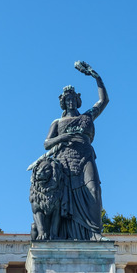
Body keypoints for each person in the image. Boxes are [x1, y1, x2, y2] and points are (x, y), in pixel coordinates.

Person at [35, 61, 109, 241]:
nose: (70, 101)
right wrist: (64, 137)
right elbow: (46, 144)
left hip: (85, 156)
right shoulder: (57, 123)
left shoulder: (87, 116)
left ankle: (94, 232)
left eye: (72, 98)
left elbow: (104, 100)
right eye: (66, 99)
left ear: (77, 100)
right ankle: (68, 235)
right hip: (64, 161)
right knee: (66, 199)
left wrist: (96, 76)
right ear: (63, 102)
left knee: (94, 191)